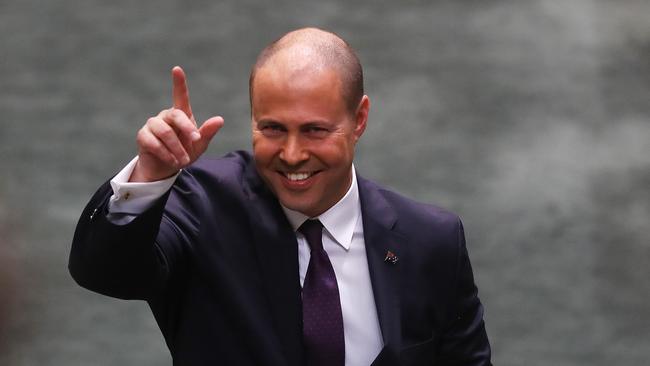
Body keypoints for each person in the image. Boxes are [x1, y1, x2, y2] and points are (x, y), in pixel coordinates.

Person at [69, 27, 491, 366]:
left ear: (359, 119)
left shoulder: (431, 241)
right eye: (272, 129)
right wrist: (151, 176)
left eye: (314, 130)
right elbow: (106, 272)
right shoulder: (200, 202)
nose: (291, 154)